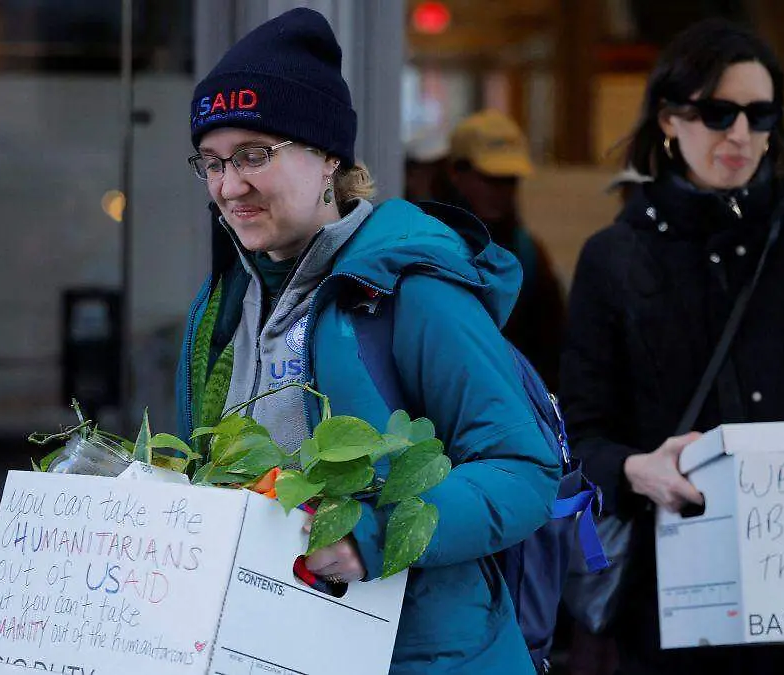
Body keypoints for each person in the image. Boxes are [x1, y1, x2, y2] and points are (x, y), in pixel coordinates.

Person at [172, 9, 558, 673]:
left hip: (423, 654)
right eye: (211, 162)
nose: (229, 187)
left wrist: (369, 536)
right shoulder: (220, 304)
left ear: (328, 158)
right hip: (273, 646)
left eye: (254, 155)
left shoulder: (413, 289)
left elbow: (522, 469)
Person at [559, 18, 784, 675]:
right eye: (718, 113)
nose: (741, 135)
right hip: (679, 591)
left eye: (761, 115)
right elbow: (581, 434)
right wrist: (637, 469)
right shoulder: (615, 257)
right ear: (670, 119)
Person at [443, 110, 566, 390]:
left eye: (509, 180)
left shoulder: (530, 256)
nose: (500, 191)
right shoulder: (428, 247)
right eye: (490, 178)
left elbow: (552, 352)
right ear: (456, 173)